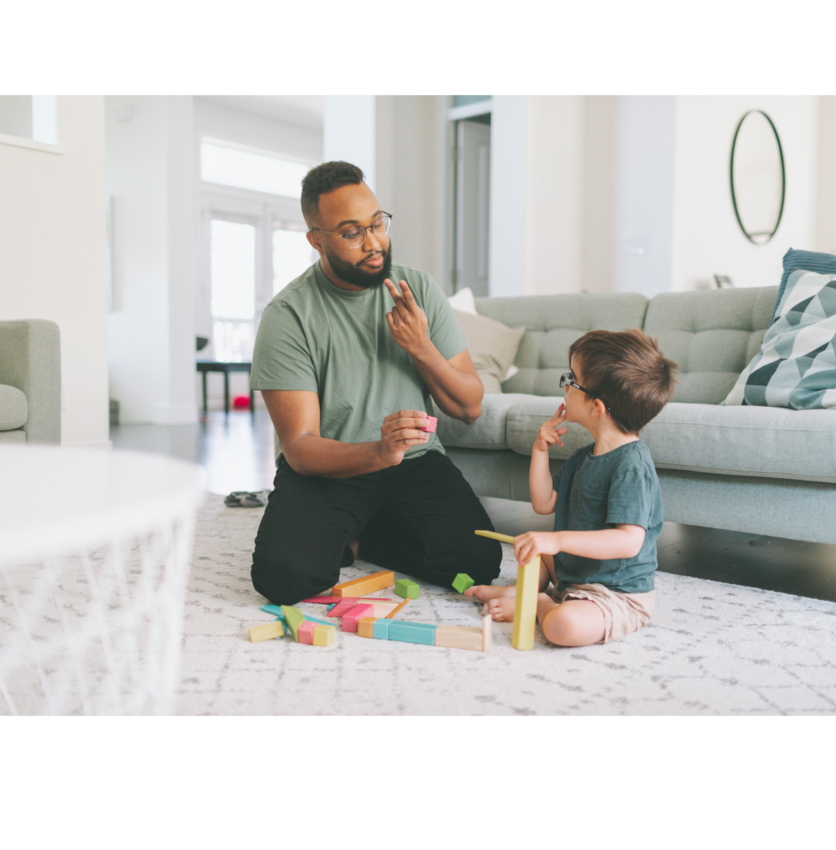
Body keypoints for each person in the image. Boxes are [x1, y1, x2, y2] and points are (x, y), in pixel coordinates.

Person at [249, 160, 501, 605]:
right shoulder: (287, 316)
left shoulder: (418, 289)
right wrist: (378, 452)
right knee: (284, 577)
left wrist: (421, 347)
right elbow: (301, 446)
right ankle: (352, 527)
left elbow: (469, 406)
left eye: (377, 223)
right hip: (331, 466)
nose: (374, 242)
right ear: (316, 240)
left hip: (414, 461)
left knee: (477, 562)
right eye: (352, 233)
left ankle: (362, 539)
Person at [466, 329, 678, 647]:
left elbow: (629, 542)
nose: (565, 387)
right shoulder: (583, 457)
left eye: (572, 380)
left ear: (597, 407)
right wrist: (540, 450)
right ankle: (524, 591)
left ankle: (537, 602)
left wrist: (557, 540)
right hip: (573, 574)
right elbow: (544, 503)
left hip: (614, 592)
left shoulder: (631, 465)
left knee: (562, 627)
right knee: (538, 552)